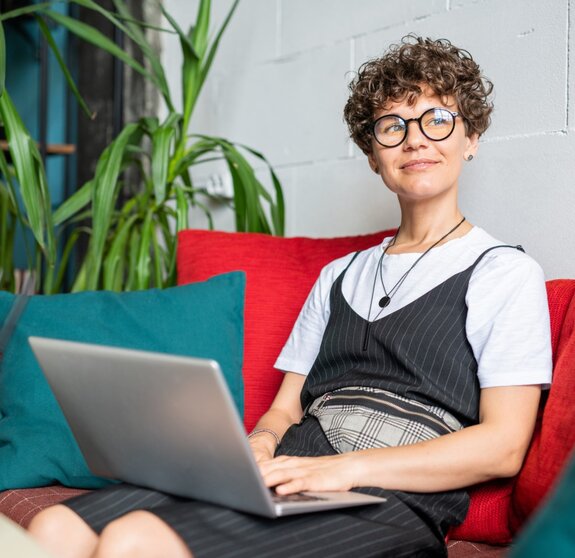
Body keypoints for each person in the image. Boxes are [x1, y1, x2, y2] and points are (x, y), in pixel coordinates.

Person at [28, 35, 552, 558]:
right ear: (373, 155)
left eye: (437, 119)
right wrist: (257, 446)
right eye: (392, 127)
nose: (415, 141)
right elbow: (283, 410)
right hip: (290, 470)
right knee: (55, 527)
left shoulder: (503, 272)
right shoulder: (338, 276)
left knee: (135, 540)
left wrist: (343, 469)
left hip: (388, 498)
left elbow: (503, 446)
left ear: (472, 137)